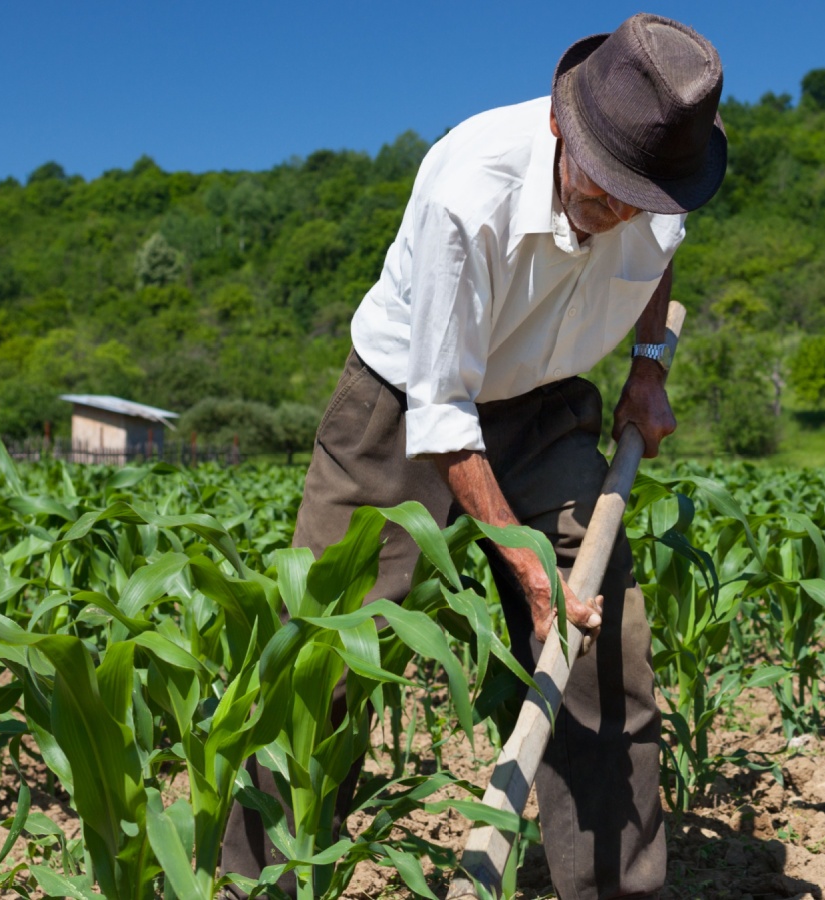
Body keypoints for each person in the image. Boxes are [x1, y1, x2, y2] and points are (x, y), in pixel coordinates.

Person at [221, 13, 726, 899]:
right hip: (404, 406)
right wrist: (530, 574)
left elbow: (658, 261)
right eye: (604, 189)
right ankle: (254, 885)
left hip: (547, 404)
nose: (617, 214)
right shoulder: (470, 186)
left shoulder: (661, 182)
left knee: (608, 656)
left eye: (638, 200)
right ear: (564, 129)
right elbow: (444, 416)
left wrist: (647, 369)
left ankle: (616, 889)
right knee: (323, 662)